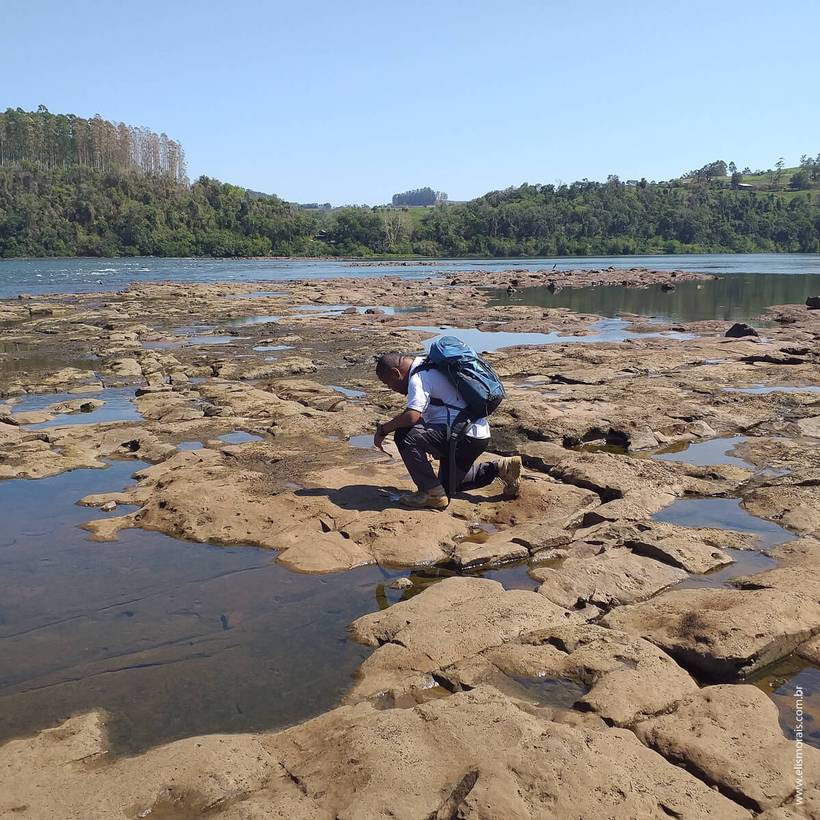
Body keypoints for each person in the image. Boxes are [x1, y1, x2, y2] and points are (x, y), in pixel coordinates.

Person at [374, 351, 521, 509]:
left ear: (395, 373)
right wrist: (425, 445)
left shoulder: (418, 378)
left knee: (404, 435)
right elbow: (425, 412)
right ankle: (501, 467)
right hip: (477, 434)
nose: (390, 388)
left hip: (461, 437)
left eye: (387, 383)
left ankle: (431, 494)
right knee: (449, 486)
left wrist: (383, 430)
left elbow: (412, 417)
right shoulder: (429, 364)